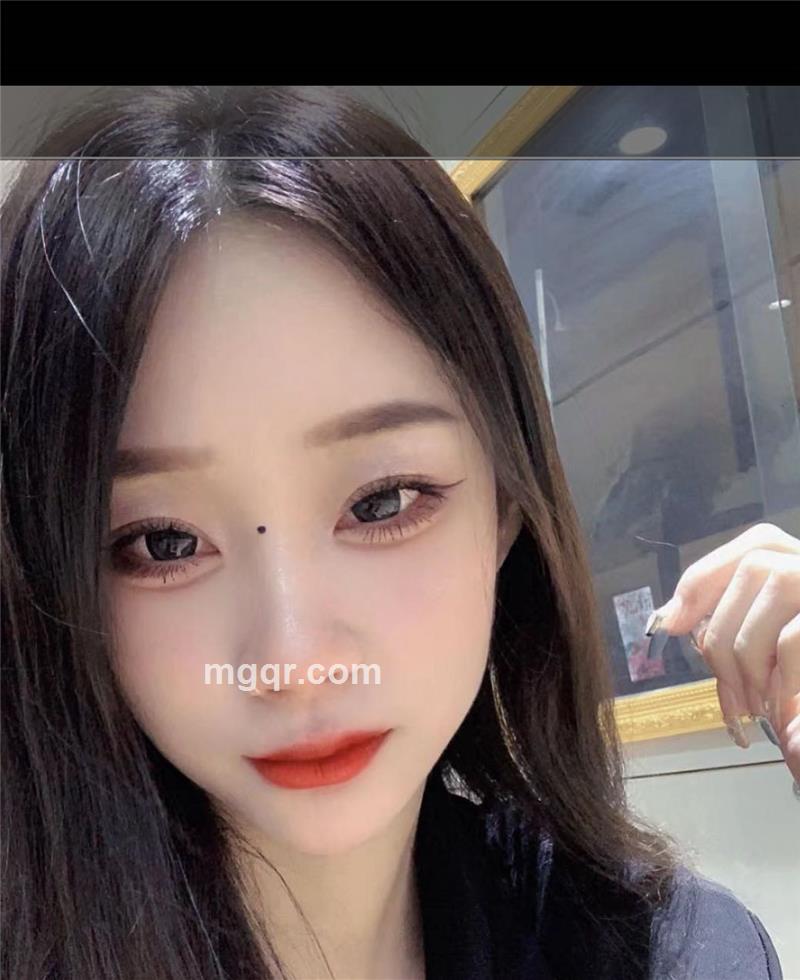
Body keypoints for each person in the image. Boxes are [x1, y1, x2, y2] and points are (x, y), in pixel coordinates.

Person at [1, 86, 788, 979]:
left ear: (506, 506)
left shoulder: (674, 953)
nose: (297, 662)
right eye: (164, 542)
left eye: (382, 502)